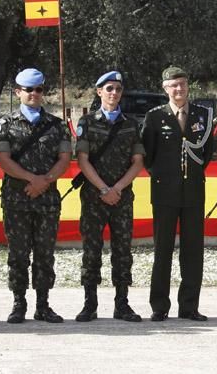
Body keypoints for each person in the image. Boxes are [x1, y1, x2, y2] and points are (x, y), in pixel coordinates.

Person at [0, 68, 72, 324]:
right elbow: (3, 160)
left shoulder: (57, 125)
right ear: (18, 92)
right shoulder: (5, 124)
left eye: (39, 89)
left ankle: (43, 304)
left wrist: (45, 181)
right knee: (18, 254)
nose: (34, 94)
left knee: (45, 253)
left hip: (47, 200)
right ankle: (18, 303)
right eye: (29, 90)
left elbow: (64, 158)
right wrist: (32, 179)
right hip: (17, 199)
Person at [141, 66, 216, 322]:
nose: (179, 89)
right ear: (165, 88)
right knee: (163, 251)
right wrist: (167, 175)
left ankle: (189, 307)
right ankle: (159, 306)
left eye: (183, 84)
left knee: (193, 251)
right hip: (164, 192)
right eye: (173, 85)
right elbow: (148, 157)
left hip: (194, 191)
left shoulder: (203, 115)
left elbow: (205, 154)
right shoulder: (154, 117)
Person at [73, 71, 144, 323]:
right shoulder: (87, 123)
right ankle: (89, 303)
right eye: (109, 88)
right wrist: (104, 189)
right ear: (99, 91)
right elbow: (82, 160)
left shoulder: (131, 124)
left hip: (122, 198)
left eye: (118, 89)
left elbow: (137, 162)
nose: (114, 93)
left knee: (123, 252)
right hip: (94, 197)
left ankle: (122, 303)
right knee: (91, 250)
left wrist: (118, 189)